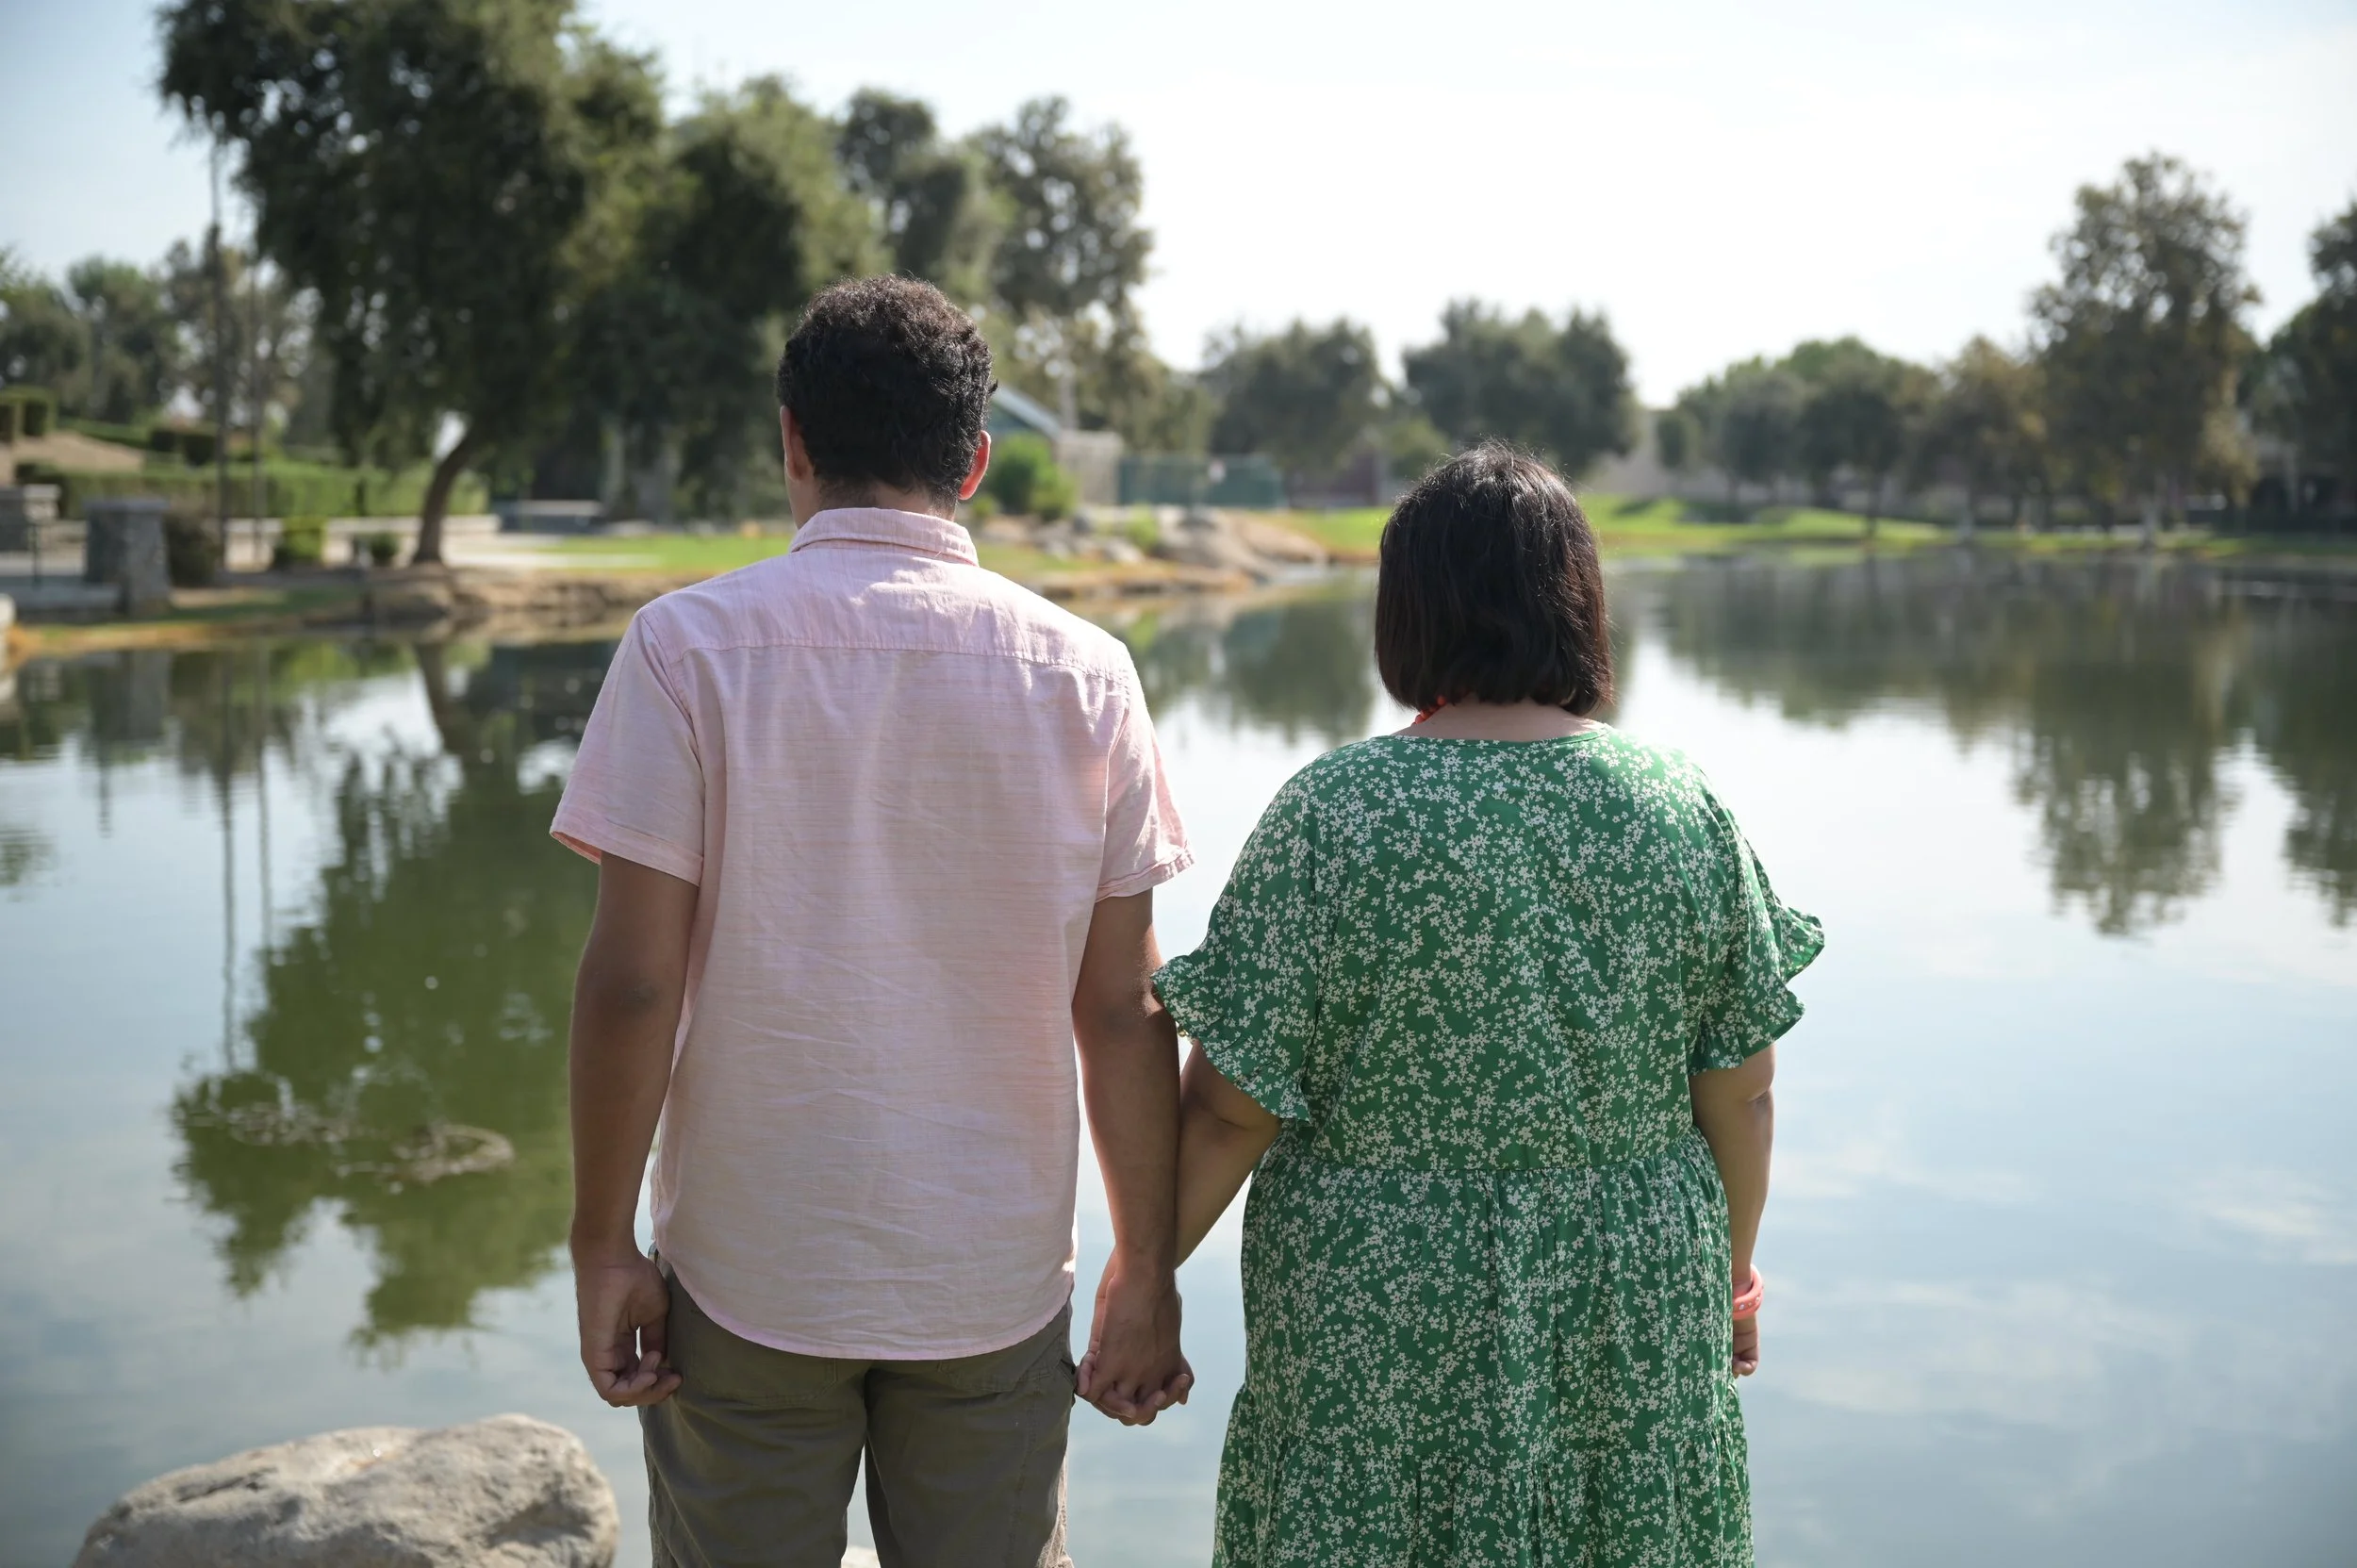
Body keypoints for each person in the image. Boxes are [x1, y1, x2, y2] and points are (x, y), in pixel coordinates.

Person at [555, 276, 1195, 1568]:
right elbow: (1123, 1007)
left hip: (749, 1267)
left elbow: (632, 984)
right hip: (992, 1276)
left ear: (791, 440)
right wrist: (1147, 1261)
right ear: (975, 460)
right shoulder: (1085, 673)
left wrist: (601, 1237)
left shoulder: (685, 648)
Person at [1107, 442, 1821, 1566]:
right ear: (1579, 606)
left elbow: (1232, 1109)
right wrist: (1728, 1274)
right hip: (1628, 1288)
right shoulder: (1679, 808)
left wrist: (1140, 1281)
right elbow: (1743, 1093)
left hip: (1377, 1309)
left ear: (1408, 615)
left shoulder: (1333, 814)